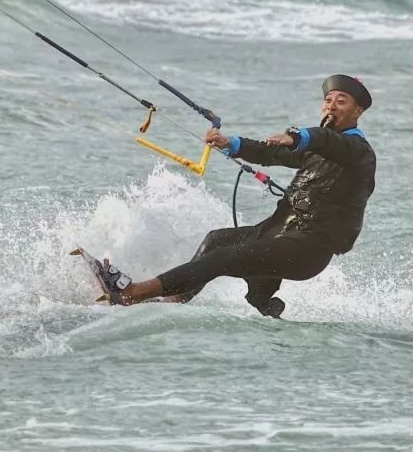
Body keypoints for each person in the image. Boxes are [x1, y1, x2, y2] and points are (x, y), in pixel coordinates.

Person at [100, 75, 376, 317]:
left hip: (309, 249)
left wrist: (298, 135)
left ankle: (133, 293)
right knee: (216, 240)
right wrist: (232, 143)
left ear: (358, 111)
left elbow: (329, 142)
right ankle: (173, 299)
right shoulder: (315, 146)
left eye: (341, 101)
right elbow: (271, 153)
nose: (331, 105)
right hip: (280, 233)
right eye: (328, 100)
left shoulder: (357, 150)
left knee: (225, 258)